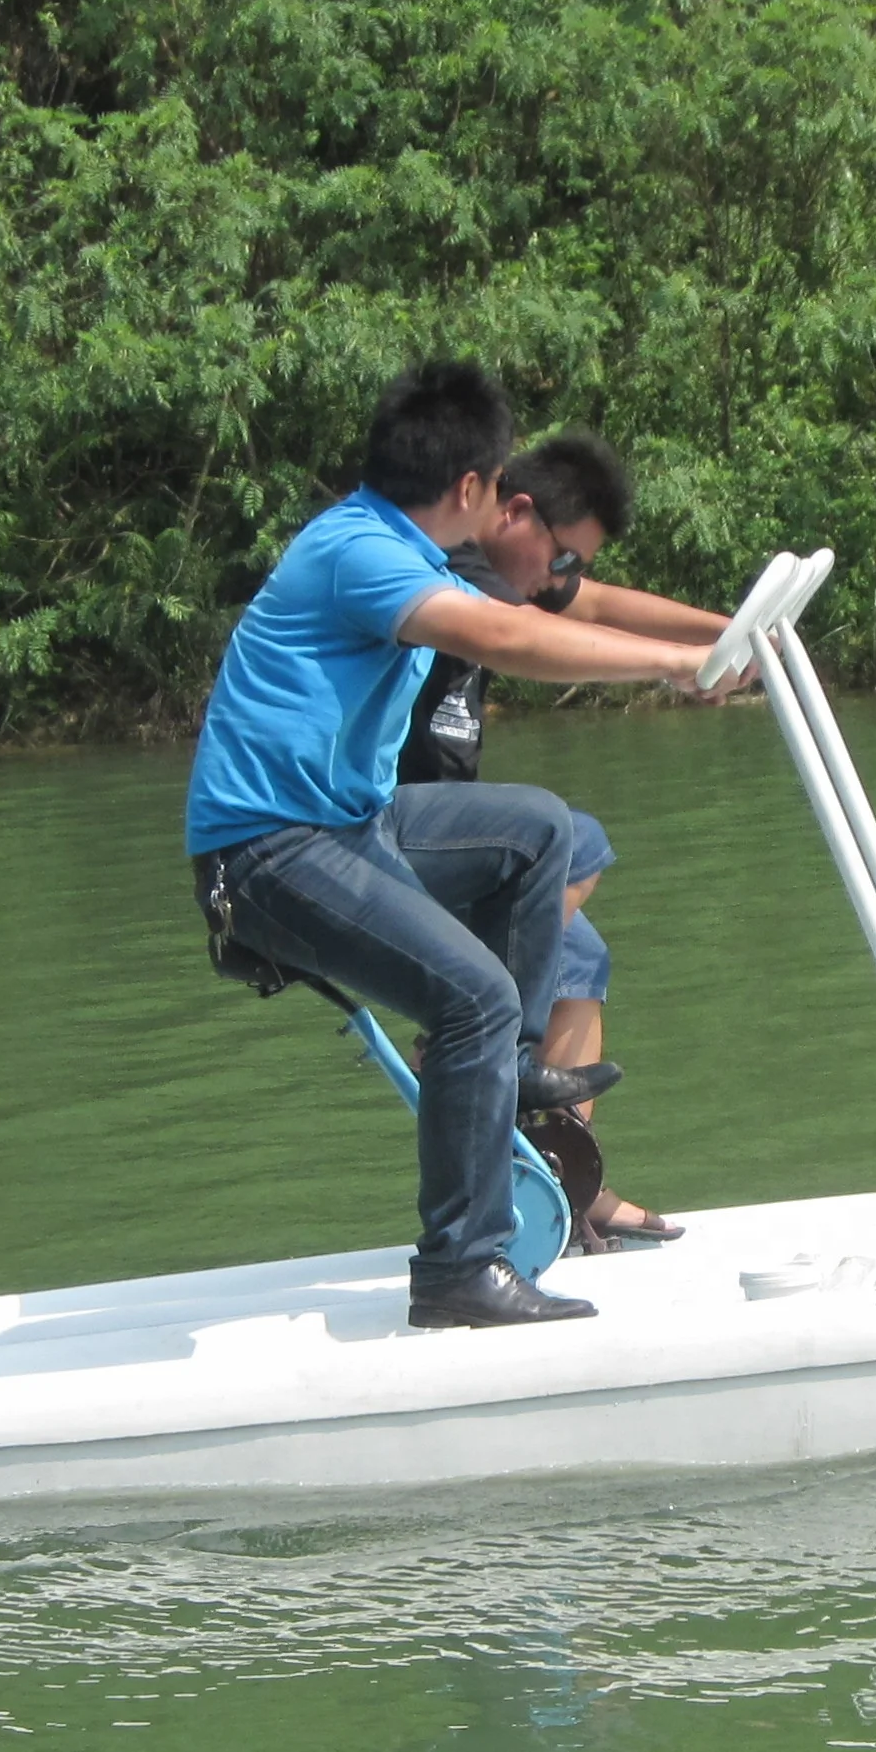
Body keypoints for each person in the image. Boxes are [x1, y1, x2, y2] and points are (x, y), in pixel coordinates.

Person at [187, 365, 736, 1331]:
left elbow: (569, 609)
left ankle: (511, 1067)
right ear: (473, 489)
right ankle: (458, 1267)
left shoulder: (404, 547)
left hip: (350, 824)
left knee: (539, 830)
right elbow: (507, 638)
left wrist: (718, 637)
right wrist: (678, 665)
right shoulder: (362, 555)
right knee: (473, 993)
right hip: (265, 854)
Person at [397, 430, 717, 1246]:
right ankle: (474, 1033)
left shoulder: (519, 567)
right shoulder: (459, 570)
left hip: (457, 834)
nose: (561, 583)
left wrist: (731, 634)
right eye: (562, 561)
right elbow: (535, 639)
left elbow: (600, 604)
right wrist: (668, 665)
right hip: (393, 831)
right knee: (578, 840)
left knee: (582, 959)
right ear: (516, 514)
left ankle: (567, 1178)